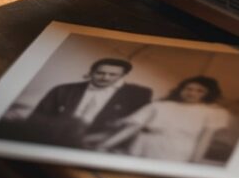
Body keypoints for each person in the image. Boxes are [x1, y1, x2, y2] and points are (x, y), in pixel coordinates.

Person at [16, 58, 152, 148]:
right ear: (91, 72)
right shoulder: (63, 90)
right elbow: (38, 117)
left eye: (113, 75)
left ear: (122, 76)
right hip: (54, 140)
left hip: (96, 145)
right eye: (100, 73)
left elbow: (132, 127)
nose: (105, 78)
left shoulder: (134, 96)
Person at [96, 76, 231, 163]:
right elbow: (132, 127)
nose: (192, 93)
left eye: (199, 90)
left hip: (176, 154)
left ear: (208, 93)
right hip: (142, 148)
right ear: (181, 90)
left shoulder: (214, 113)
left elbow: (204, 140)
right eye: (188, 88)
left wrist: (194, 162)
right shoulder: (159, 106)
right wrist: (105, 145)